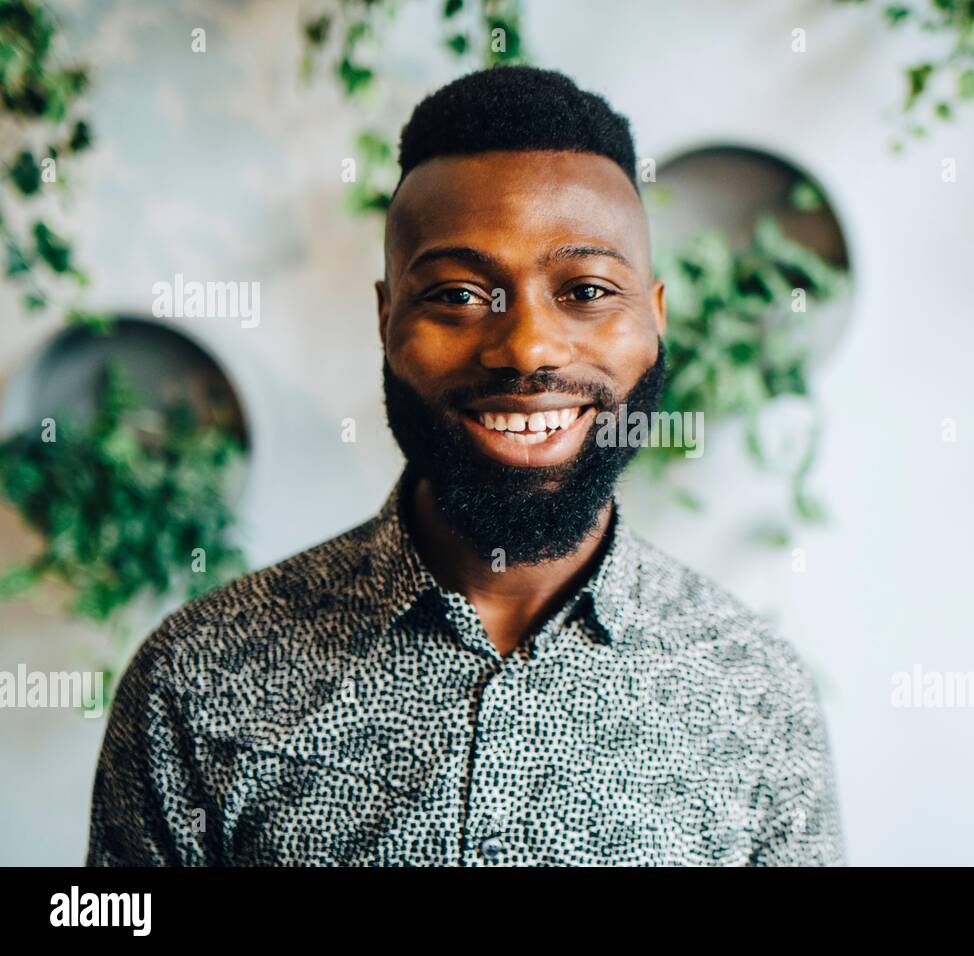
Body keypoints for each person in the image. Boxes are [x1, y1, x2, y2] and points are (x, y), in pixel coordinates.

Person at [87, 65, 845, 866]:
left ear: (653, 321)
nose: (526, 348)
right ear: (387, 319)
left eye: (585, 289)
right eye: (456, 295)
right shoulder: (198, 678)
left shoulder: (756, 695)